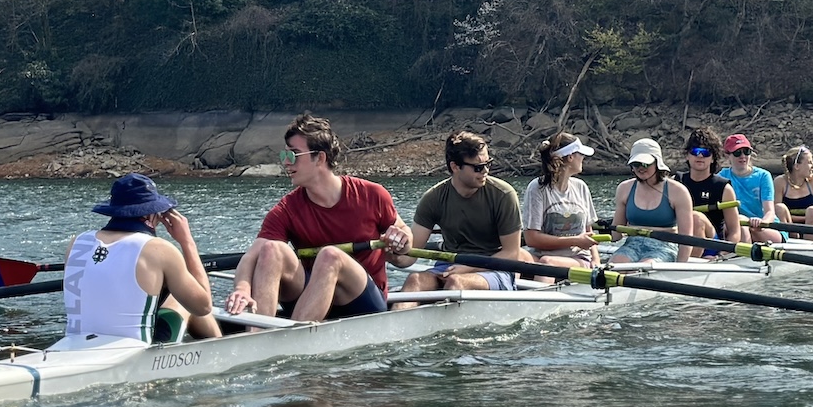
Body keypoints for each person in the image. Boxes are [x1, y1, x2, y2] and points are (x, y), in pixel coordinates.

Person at [226, 113, 402, 322]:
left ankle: (293, 339)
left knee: (330, 256)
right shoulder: (286, 209)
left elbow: (406, 257)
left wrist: (402, 241)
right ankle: (257, 334)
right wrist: (242, 288)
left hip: (363, 302)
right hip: (312, 296)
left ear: (320, 158)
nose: (286, 163)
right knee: (272, 249)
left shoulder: (372, 194)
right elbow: (250, 257)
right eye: (284, 156)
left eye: (293, 155)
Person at [59, 173, 218, 346]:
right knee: (185, 299)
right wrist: (187, 241)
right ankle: (222, 355)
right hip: (133, 351)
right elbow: (203, 307)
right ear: (151, 215)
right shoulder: (160, 249)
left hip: (74, 343)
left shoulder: (77, 242)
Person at [393, 131, 524, 302]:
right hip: (448, 266)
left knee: (456, 282)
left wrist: (467, 268)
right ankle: (397, 325)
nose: (485, 171)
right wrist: (393, 254)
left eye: (488, 164)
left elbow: (512, 253)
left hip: (495, 268)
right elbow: (409, 256)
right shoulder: (433, 198)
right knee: (414, 280)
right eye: (478, 167)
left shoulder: (503, 194)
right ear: (455, 167)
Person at [609, 137, 698, 263]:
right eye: (636, 164)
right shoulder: (624, 188)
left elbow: (686, 238)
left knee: (645, 266)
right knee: (615, 264)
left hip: (665, 246)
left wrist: (680, 267)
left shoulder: (678, 191)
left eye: (645, 164)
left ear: (657, 162)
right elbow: (616, 236)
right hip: (631, 245)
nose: (640, 168)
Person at [521, 132, 601, 268]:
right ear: (570, 157)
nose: (583, 158)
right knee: (515, 254)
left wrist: (596, 260)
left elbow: (589, 232)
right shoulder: (537, 188)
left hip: (577, 258)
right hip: (540, 256)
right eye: (580, 154)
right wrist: (575, 240)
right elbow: (531, 239)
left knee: (548, 262)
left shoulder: (581, 187)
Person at [677, 127, 742, 247]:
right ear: (687, 156)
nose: (700, 156)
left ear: (713, 158)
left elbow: (735, 231)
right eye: (695, 151)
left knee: (696, 218)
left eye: (706, 152)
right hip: (680, 240)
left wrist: (723, 253)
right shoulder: (677, 182)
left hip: (712, 244)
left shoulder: (723, 188)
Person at [720, 133, 782, 244]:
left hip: (766, 229)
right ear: (727, 155)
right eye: (737, 153)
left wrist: (762, 223)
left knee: (741, 221)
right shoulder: (722, 176)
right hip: (738, 225)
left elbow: (770, 212)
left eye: (746, 152)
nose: (743, 156)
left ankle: (744, 254)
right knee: (740, 222)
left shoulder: (763, 176)